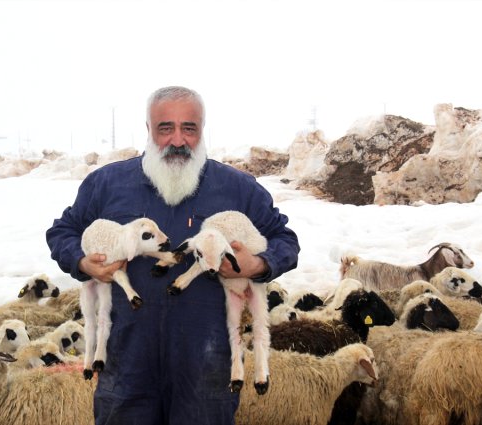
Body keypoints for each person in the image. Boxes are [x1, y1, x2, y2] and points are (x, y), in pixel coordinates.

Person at [46, 86, 300, 425]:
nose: (177, 140)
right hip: (127, 365)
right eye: (166, 127)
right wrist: (81, 261)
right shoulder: (107, 184)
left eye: (189, 128)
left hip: (206, 367)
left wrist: (259, 264)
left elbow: (284, 239)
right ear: (149, 129)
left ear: (202, 130)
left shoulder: (237, 188)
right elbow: (63, 232)